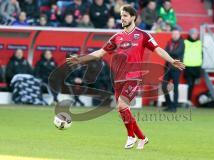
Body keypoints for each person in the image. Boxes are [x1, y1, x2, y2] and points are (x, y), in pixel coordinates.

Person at [67, 5, 185, 150]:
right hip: (119, 78)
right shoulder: (117, 37)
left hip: (134, 77)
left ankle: (131, 136)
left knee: (122, 106)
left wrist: (172, 60)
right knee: (122, 109)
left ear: (133, 17)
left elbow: (158, 49)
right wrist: (80, 59)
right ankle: (142, 138)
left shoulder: (143, 35)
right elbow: (100, 52)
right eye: (121, 15)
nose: (122, 18)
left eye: (125, 15)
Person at [162, 29, 185, 112]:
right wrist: (168, 53)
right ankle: (169, 105)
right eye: (173, 34)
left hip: (176, 69)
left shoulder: (182, 43)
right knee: (163, 86)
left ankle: (174, 107)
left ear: (179, 35)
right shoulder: (169, 42)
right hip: (168, 68)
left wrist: (168, 53)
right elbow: (164, 52)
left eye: (176, 34)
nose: (174, 35)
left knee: (175, 88)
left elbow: (177, 53)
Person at [183, 28, 202, 108]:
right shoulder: (185, 42)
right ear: (190, 34)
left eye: (197, 34)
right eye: (194, 34)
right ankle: (186, 100)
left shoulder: (200, 43)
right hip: (188, 66)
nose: (196, 35)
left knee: (193, 85)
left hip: (197, 67)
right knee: (189, 84)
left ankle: (188, 100)